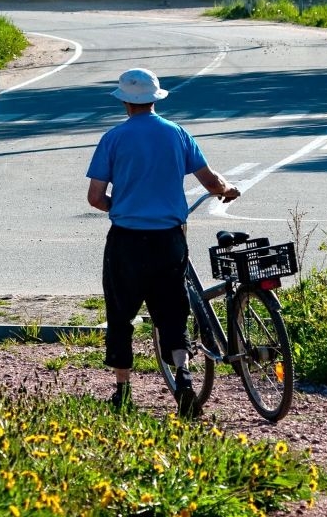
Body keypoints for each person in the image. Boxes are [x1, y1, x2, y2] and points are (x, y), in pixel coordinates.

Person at [85, 68, 241, 417]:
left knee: (121, 313)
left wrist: (121, 206)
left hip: (126, 240)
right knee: (172, 310)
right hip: (169, 238)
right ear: (156, 98)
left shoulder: (113, 138)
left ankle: (123, 389)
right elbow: (210, 180)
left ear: (125, 101)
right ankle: (184, 379)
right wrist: (226, 189)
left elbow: (95, 197)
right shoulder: (177, 134)